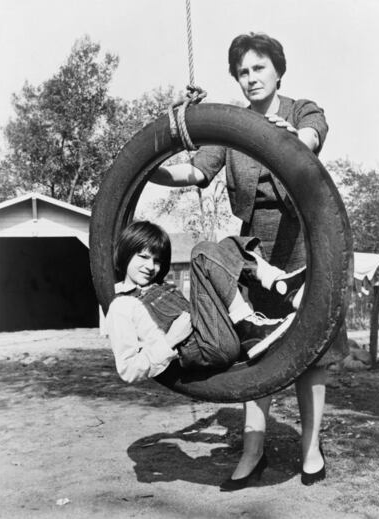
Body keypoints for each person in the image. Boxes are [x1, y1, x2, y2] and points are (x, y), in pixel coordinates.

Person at [150, 32, 348, 489]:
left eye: (259, 68)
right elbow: (196, 171)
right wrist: (150, 165)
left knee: (310, 353)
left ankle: (310, 447)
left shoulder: (301, 111)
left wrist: (293, 138)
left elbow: (311, 139)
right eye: (242, 71)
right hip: (255, 252)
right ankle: (253, 450)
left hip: (307, 244)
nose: (250, 78)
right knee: (258, 353)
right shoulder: (230, 127)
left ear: (278, 70)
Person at [107, 220, 303, 383]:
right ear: (125, 254)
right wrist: (170, 341)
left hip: (214, 332)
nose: (150, 266)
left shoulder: (158, 286)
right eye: (143, 257)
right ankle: (248, 325)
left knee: (227, 246)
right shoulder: (122, 306)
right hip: (204, 348)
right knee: (202, 253)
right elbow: (128, 369)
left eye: (157, 261)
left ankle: (281, 284)